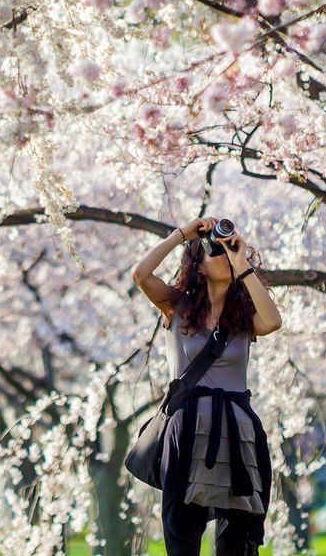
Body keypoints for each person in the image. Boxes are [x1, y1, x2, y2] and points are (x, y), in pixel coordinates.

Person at [133, 215, 284, 556]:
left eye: (229, 251)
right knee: (182, 532)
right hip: (186, 428)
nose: (226, 256)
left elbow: (273, 322)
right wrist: (182, 235)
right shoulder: (176, 307)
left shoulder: (244, 318)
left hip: (237, 430)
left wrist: (242, 264)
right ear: (198, 266)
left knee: (235, 540)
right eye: (217, 252)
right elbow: (140, 275)